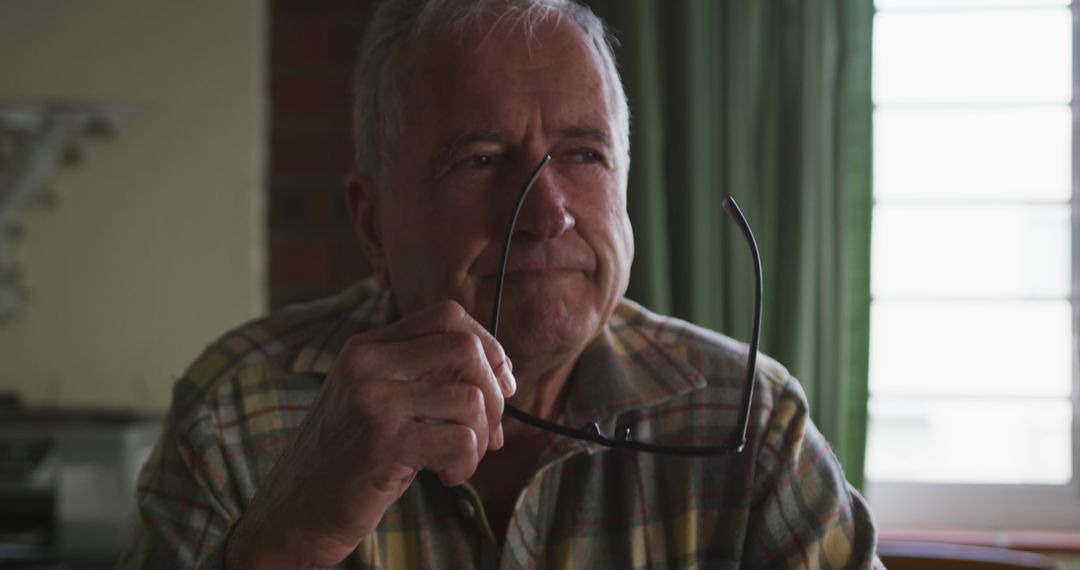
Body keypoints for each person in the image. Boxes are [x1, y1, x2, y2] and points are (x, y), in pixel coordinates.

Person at [120, 0, 881, 568]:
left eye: (583, 156)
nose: (547, 215)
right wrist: (293, 537)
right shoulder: (235, 418)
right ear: (373, 222)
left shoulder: (750, 416)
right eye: (480, 159)